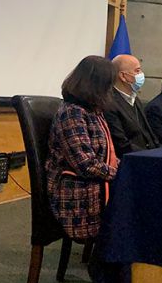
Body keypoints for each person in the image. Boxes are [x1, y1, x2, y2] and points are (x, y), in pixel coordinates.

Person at [45, 56, 119, 241]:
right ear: (97, 85)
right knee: (139, 208)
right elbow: (85, 164)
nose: (111, 90)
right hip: (77, 195)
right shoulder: (72, 113)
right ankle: (113, 266)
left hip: (94, 186)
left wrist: (126, 167)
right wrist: (121, 173)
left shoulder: (93, 111)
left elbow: (106, 155)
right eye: (108, 84)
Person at [103, 54, 159, 158]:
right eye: (137, 71)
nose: (141, 74)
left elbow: (147, 133)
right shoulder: (109, 103)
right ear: (123, 76)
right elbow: (120, 143)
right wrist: (149, 156)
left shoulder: (135, 99)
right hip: (132, 160)